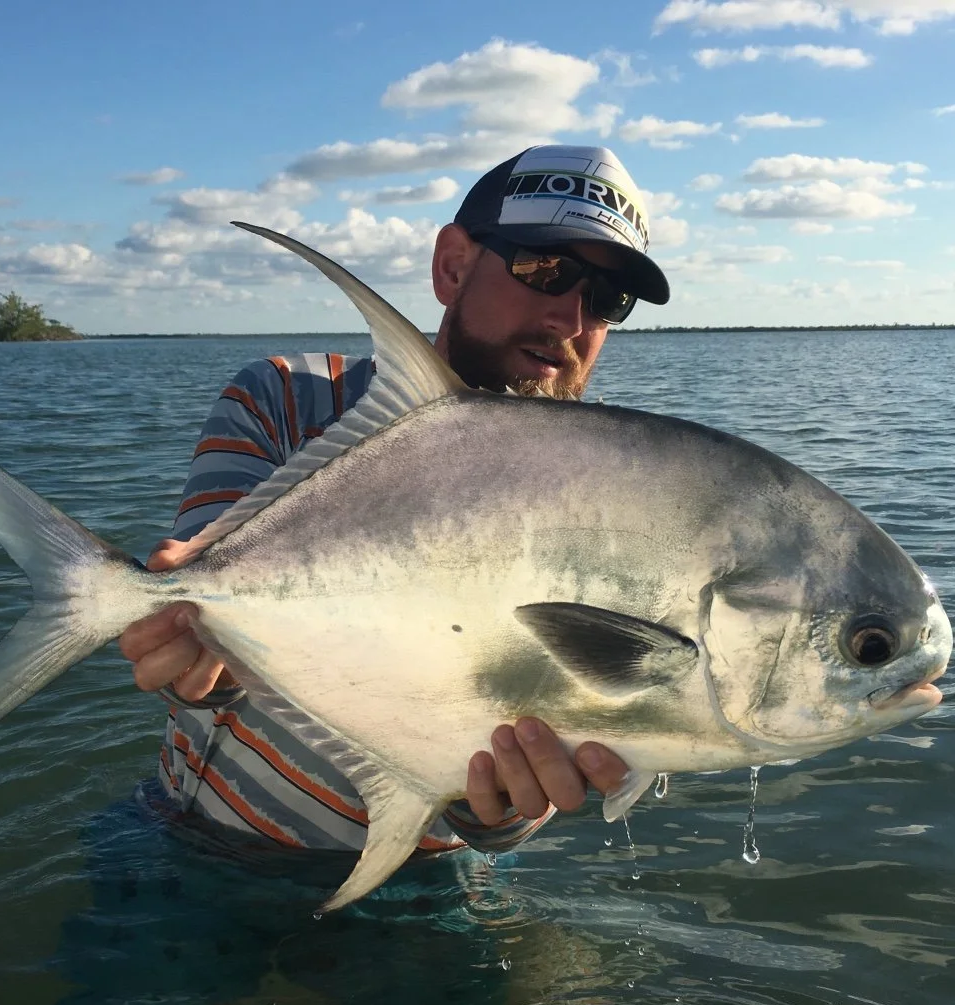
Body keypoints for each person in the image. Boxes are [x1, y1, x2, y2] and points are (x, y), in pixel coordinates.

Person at [119, 144, 671, 863]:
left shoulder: (614, 499)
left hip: (434, 885)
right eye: (547, 270)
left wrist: (502, 809)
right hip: (197, 848)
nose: (570, 318)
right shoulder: (285, 397)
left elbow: (537, 768)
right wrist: (192, 645)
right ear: (452, 266)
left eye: (608, 300)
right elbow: (206, 611)